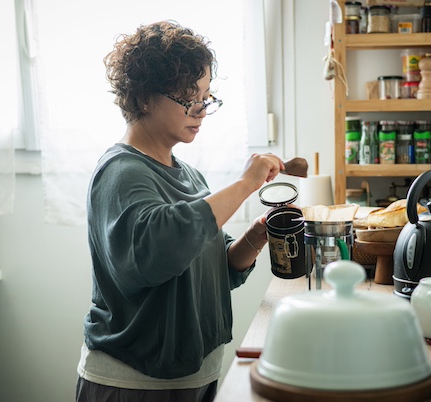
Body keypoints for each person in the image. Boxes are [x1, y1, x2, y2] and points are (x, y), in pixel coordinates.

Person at [75, 20, 284, 402]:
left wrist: (254, 238)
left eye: (206, 96)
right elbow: (160, 252)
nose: (201, 110)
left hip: (195, 374)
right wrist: (244, 185)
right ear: (142, 98)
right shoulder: (122, 172)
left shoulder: (190, 175)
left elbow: (213, 269)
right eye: (188, 98)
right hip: (134, 383)